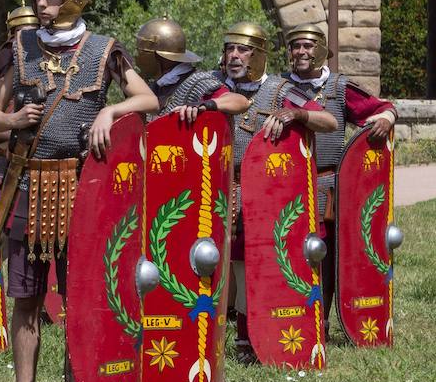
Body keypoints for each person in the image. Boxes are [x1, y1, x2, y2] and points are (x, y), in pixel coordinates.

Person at [0, 0, 158, 382]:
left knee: (81, 297)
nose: (43, 3)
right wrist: (13, 118)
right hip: (29, 184)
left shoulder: (104, 51)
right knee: (26, 299)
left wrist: (110, 111)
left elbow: (148, 97)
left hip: (82, 188)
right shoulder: (19, 49)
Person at [215, 23, 335, 363]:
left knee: (252, 265)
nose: (234, 56)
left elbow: (327, 121)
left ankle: (249, 344)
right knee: (218, 267)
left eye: (243, 50)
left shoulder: (281, 90)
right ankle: (215, 343)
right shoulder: (214, 86)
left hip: (261, 192)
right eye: (230, 49)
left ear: (259, 54)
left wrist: (296, 114)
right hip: (218, 188)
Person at [280, 25, 395, 313]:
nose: (301, 52)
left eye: (307, 46)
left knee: (325, 253)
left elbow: (381, 108)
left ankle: (323, 317)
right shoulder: (278, 87)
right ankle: (291, 315)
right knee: (287, 250)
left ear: (320, 50)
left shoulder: (338, 87)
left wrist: (388, 119)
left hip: (325, 184)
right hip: (285, 182)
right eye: (296, 46)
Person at [133, 18, 248, 119]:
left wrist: (205, 105)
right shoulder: (156, 87)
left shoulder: (199, 82)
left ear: (159, 56)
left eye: (141, 52)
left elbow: (241, 102)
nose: (137, 57)